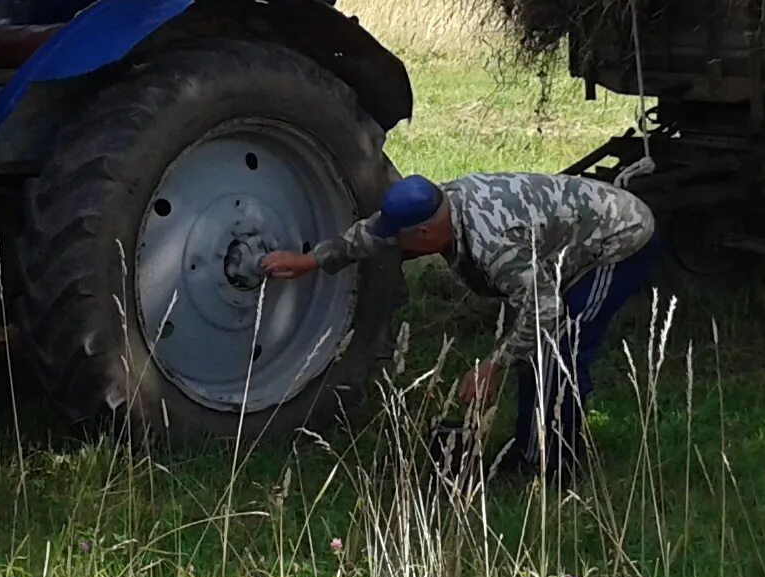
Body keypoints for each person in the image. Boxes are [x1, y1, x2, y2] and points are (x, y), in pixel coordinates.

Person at [259, 172, 659, 480]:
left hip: (618, 237)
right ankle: (532, 450)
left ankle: (551, 469)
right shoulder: (435, 204)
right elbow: (375, 234)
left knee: (561, 345)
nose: (400, 252)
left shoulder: (493, 243)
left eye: (404, 244)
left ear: (426, 234)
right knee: (540, 346)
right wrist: (310, 261)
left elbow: (545, 308)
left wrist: (495, 366)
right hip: (566, 244)